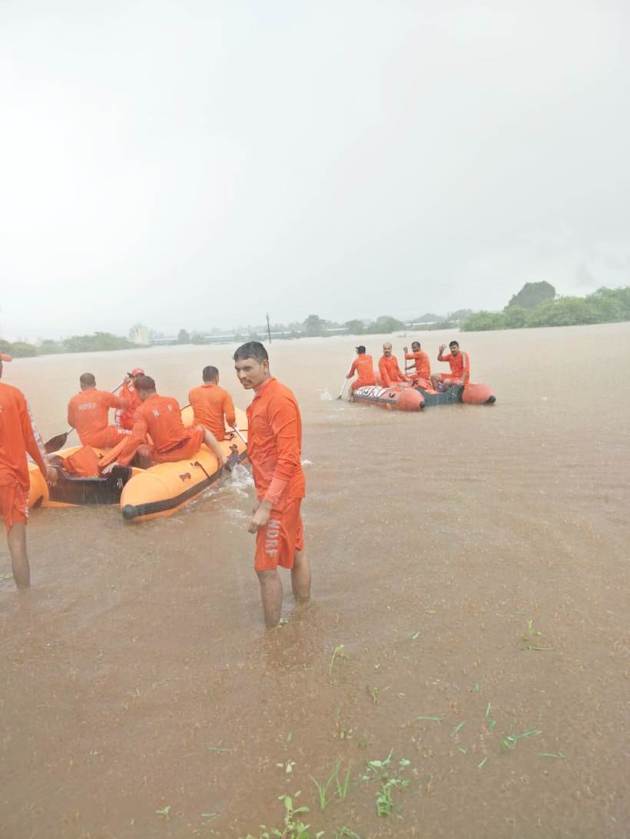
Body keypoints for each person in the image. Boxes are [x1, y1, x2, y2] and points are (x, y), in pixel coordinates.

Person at [233, 341, 310, 628]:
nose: (242, 375)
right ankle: (305, 613)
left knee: (264, 569)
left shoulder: (279, 399)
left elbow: (289, 458)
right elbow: (264, 448)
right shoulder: (259, 399)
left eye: (248, 368)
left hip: (281, 497)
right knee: (298, 551)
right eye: (238, 369)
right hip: (280, 492)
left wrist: (267, 505)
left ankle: (272, 639)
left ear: (265, 365)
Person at [0, 353, 57, 588]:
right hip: (9, 479)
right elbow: (32, 438)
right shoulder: (14, 396)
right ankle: (26, 605)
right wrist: (47, 469)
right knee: (17, 545)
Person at [100, 375, 224, 470]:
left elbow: (136, 438)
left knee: (140, 448)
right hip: (187, 448)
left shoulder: (141, 411)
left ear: (142, 392)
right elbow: (176, 426)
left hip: (166, 456)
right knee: (202, 429)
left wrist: (120, 461)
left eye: (137, 393)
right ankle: (222, 457)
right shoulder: (173, 401)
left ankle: (151, 472)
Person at [67, 373, 129, 448]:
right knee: (135, 434)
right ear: (95, 383)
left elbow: (72, 423)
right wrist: (125, 386)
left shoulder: (73, 401)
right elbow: (124, 404)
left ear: (81, 385)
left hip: (86, 441)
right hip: (104, 438)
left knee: (113, 428)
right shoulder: (103, 395)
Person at [189, 366, 236, 442]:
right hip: (216, 436)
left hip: (197, 435)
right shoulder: (224, 394)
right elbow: (230, 417)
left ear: (203, 377)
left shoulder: (192, 392)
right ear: (217, 377)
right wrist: (232, 424)